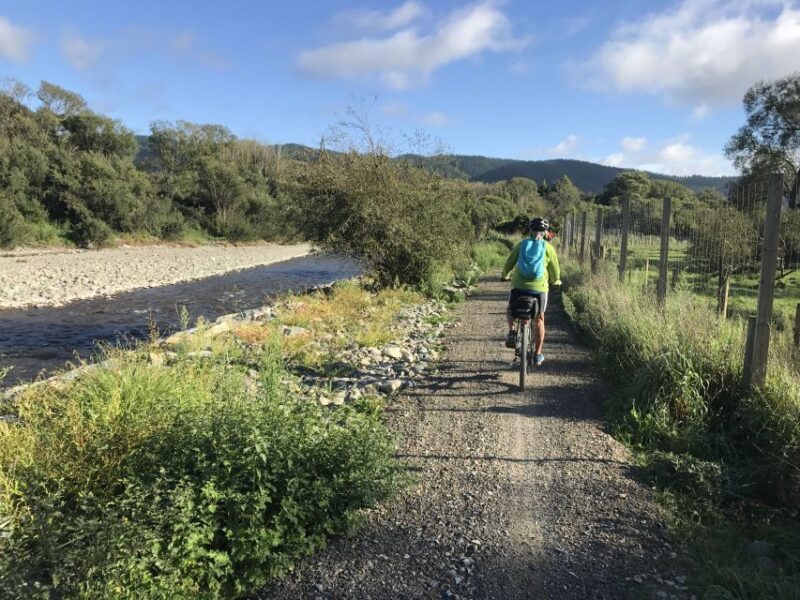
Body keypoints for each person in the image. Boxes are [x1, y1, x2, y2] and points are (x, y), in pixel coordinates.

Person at [500, 217, 561, 366]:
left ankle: (512, 331)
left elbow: (509, 262)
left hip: (519, 286)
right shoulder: (548, 248)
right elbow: (554, 270)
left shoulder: (521, 245)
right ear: (545, 232)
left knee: (510, 308)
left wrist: (505, 275)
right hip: (539, 289)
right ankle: (537, 354)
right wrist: (556, 280)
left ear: (530, 230)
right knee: (540, 318)